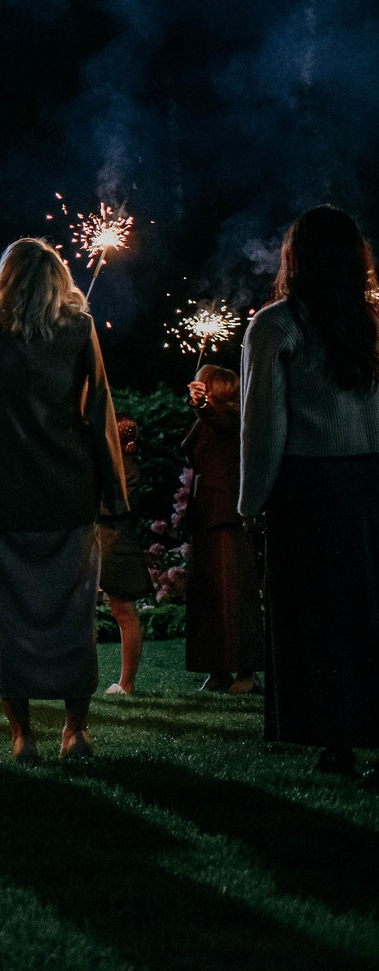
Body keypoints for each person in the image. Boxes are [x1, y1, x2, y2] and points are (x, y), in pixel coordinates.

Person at [0, 236, 125, 764]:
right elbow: (99, 412)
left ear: (4, 278)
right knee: (74, 617)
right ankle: (75, 731)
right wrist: (115, 495)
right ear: (59, 279)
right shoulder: (78, 328)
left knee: (3, 621)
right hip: (67, 493)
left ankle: (23, 736)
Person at [237, 205, 379, 781]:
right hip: (372, 484)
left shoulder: (276, 324)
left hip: (312, 490)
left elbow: (262, 425)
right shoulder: (373, 321)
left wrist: (251, 502)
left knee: (321, 619)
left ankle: (336, 741)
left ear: (294, 258)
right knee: (371, 611)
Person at [181, 363, 260, 693]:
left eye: (203, 384)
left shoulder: (232, 418)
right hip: (205, 513)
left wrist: (202, 406)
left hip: (225, 515)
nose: (196, 387)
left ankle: (246, 672)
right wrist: (200, 410)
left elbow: (220, 423)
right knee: (206, 595)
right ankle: (216, 670)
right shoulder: (209, 420)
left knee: (232, 594)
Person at [97, 415, 148, 695]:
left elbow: (121, 505)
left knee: (123, 611)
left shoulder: (126, 466)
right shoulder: (106, 463)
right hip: (103, 543)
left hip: (118, 546)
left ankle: (127, 682)